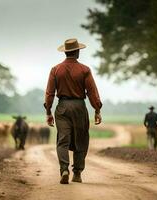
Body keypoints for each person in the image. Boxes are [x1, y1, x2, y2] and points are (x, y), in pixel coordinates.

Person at [44, 38, 102, 184]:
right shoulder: (85, 70)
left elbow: (49, 93)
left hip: (62, 107)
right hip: (79, 107)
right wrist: (97, 109)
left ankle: (64, 169)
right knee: (81, 140)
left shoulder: (55, 69)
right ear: (77, 52)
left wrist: (48, 112)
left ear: (65, 52)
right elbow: (92, 92)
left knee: (63, 140)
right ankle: (77, 173)